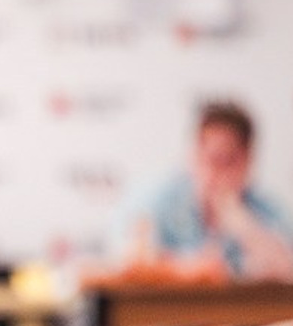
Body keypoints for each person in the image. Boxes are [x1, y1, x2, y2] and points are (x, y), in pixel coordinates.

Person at [115, 100, 293, 282]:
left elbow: (288, 270)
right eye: (211, 159)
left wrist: (243, 226)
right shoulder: (157, 198)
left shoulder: (266, 209)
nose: (216, 173)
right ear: (194, 155)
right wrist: (191, 270)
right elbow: (129, 262)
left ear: (248, 161)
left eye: (228, 161)